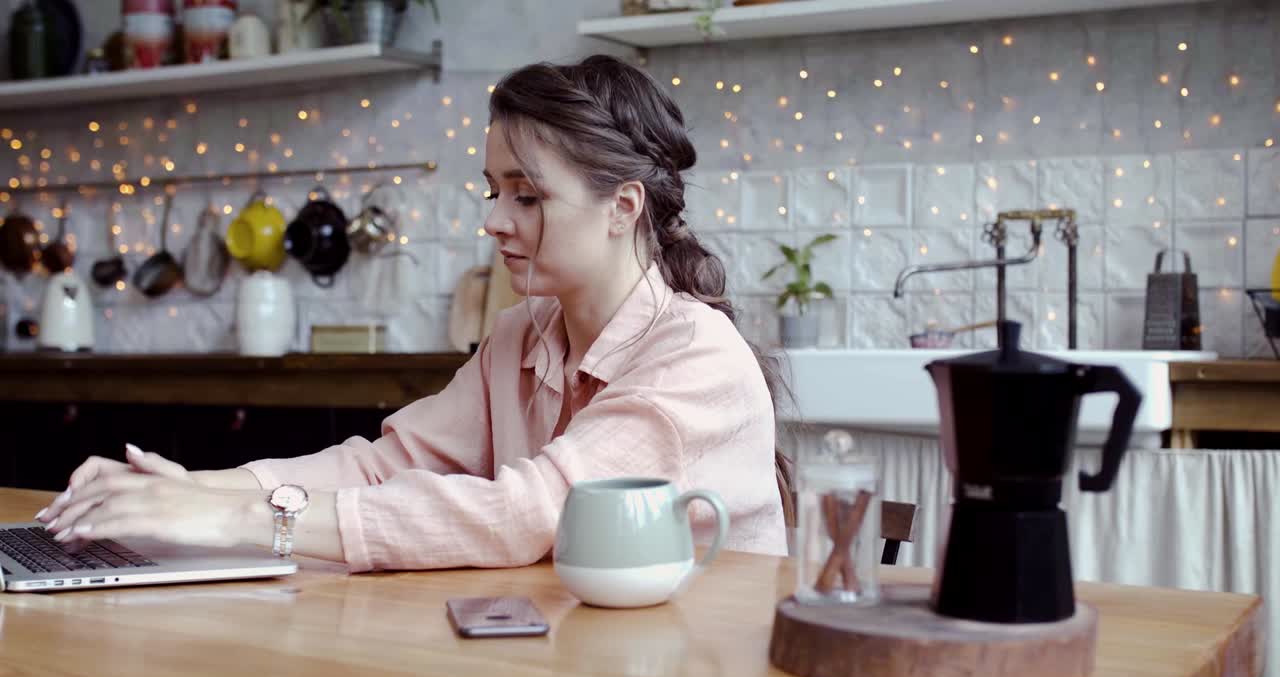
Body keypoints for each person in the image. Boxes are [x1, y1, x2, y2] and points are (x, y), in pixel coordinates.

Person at [36, 55, 790, 572]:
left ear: (623, 207)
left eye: (527, 196)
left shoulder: (695, 356)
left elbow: (532, 512)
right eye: (493, 190)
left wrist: (237, 521)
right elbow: (380, 466)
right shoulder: (520, 335)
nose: (494, 219)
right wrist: (191, 489)